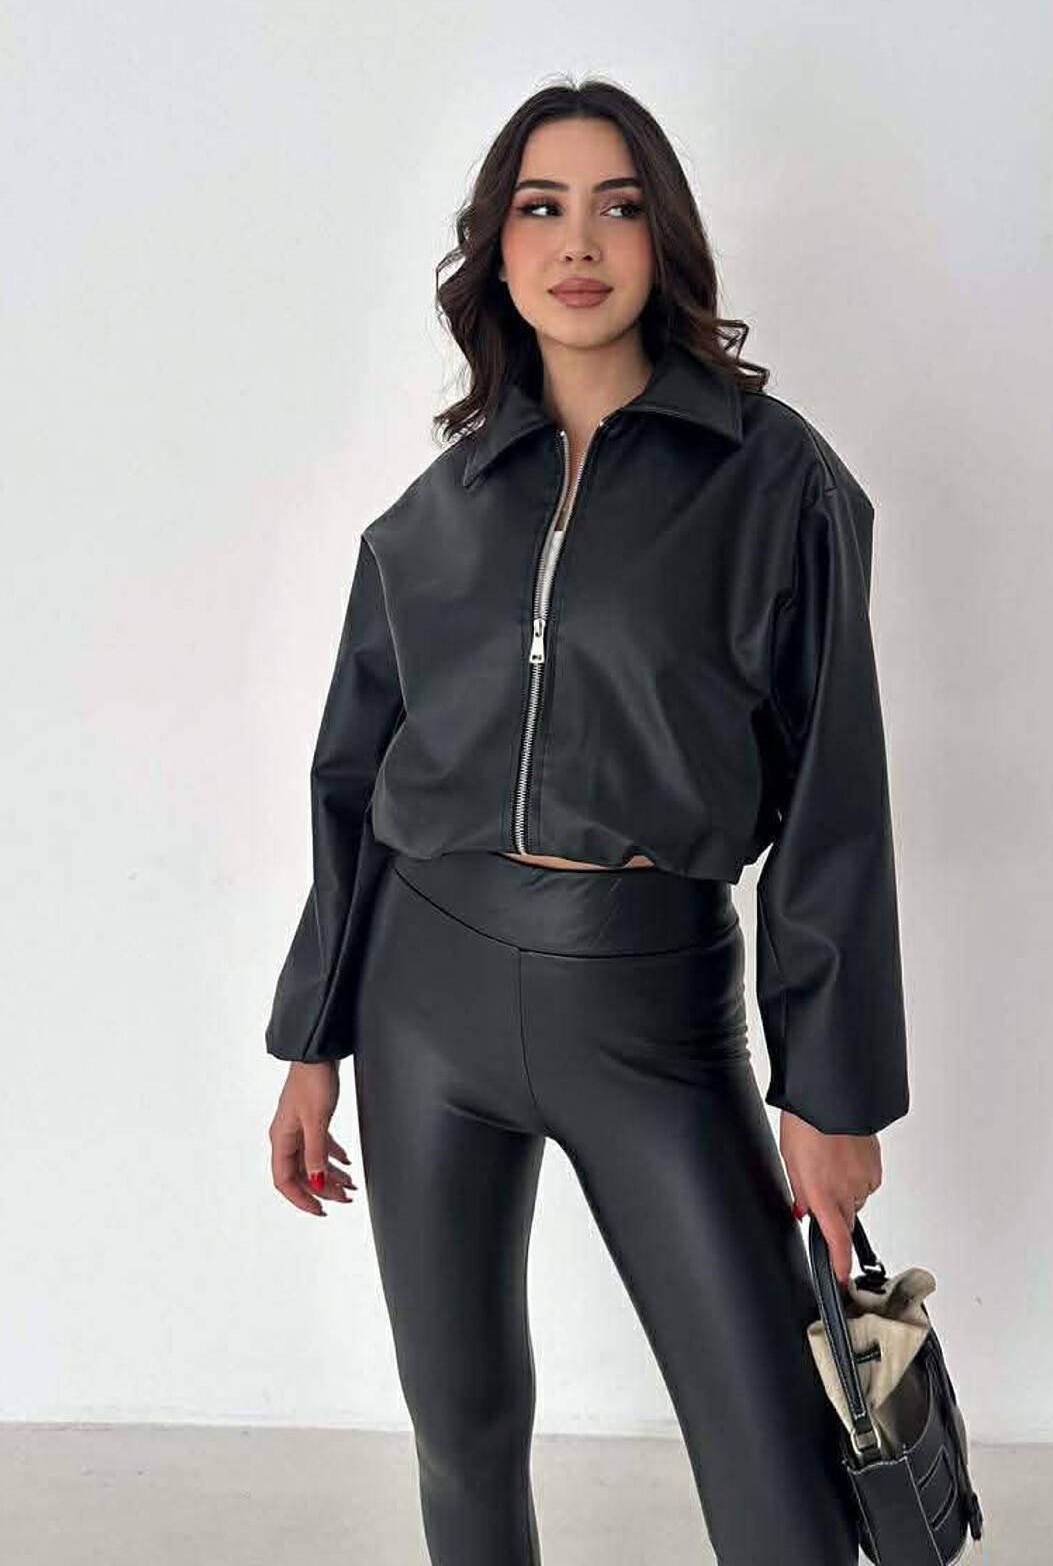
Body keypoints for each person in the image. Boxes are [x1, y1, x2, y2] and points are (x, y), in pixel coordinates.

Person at [265, 77, 910, 1565]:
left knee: (779, 1462)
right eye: (540, 208)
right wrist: (312, 1039)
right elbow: (351, 781)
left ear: (661, 238)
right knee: (464, 1434)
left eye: (617, 206)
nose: (578, 242)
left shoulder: (774, 479)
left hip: (650, 1011)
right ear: (495, 252)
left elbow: (836, 794)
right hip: (423, 1001)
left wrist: (833, 1091)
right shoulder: (432, 514)